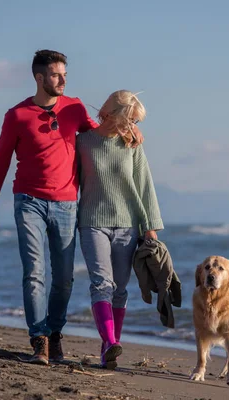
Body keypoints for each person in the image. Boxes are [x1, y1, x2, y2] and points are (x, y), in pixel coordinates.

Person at [0, 51, 143, 365]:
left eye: (65, 74)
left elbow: (99, 135)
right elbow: (0, 162)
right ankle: (39, 341)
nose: (63, 80)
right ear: (39, 78)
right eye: (56, 75)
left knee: (64, 278)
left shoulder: (75, 107)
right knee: (34, 273)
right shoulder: (17, 115)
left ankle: (54, 333)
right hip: (29, 202)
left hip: (67, 205)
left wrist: (128, 129)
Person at [76, 90, 163, 369]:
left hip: (127, 225)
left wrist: (150, 227)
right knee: (102, 284)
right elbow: (70, 182)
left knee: (121, 289)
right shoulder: (83, 142)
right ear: (113, 113)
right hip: (92, 222)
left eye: (136, 121)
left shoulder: (132, 145)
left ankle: (107, 347)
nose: (133, 126)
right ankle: (111, 342)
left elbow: (145, 185)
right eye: (131, 119)